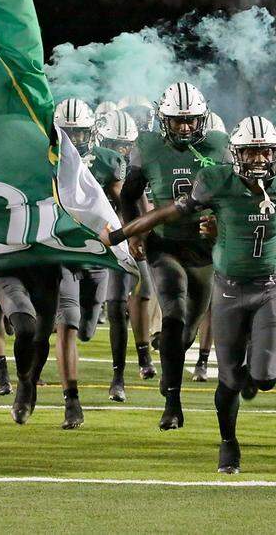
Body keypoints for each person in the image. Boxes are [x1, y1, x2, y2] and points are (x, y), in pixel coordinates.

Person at [105, 115, 276, 474]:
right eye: (250, 154)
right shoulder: (215, 182)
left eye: (264, 153)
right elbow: (167, 212)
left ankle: (250, 379)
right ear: (235, 155)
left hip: (271, 287)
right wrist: (122, 234)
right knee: (229, 378)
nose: (258, 161)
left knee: (265, 378)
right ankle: (228, 445)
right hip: (229, 289)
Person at [118, 82, 229, 430]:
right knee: (174, 312)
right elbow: (128, 194)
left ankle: (171, 356)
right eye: (177, 121)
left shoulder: (218, 145)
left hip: (205, 249)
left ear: (202, 118)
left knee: (185, 333)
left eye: (190, 121)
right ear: (162, 119)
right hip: (164, 244)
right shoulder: (147, 147)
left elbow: (236, 195)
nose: (184, 127)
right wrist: (134, 230)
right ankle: (172, 404)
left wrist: (221, 225)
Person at [52, 98, 124, 427]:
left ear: (91, 132)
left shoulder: (108, 162)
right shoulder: (47, 160)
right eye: (68, 133)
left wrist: (131, 235)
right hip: (63, 252)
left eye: (79, 133)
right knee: (66, 323)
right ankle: (71, 400)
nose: (74, 140)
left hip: (97, 253)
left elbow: (128, 203)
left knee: (86, 328)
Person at [95, 109, 157, 397]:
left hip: (128, 236)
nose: (122, 152)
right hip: (101, 239)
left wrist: (145, 232)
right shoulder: (90, 166)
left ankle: (143, 354)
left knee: (142, 294)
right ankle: (117, 375)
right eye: (115, 145)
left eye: (126, 146)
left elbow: (140, 204)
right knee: (115, 306)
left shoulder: (135, 167)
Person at [0, 266, 61, 424]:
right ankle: (24, 382)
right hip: (8, 265)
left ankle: (32, 379)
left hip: (46, 267)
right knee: (26, 329)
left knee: (41, 337)